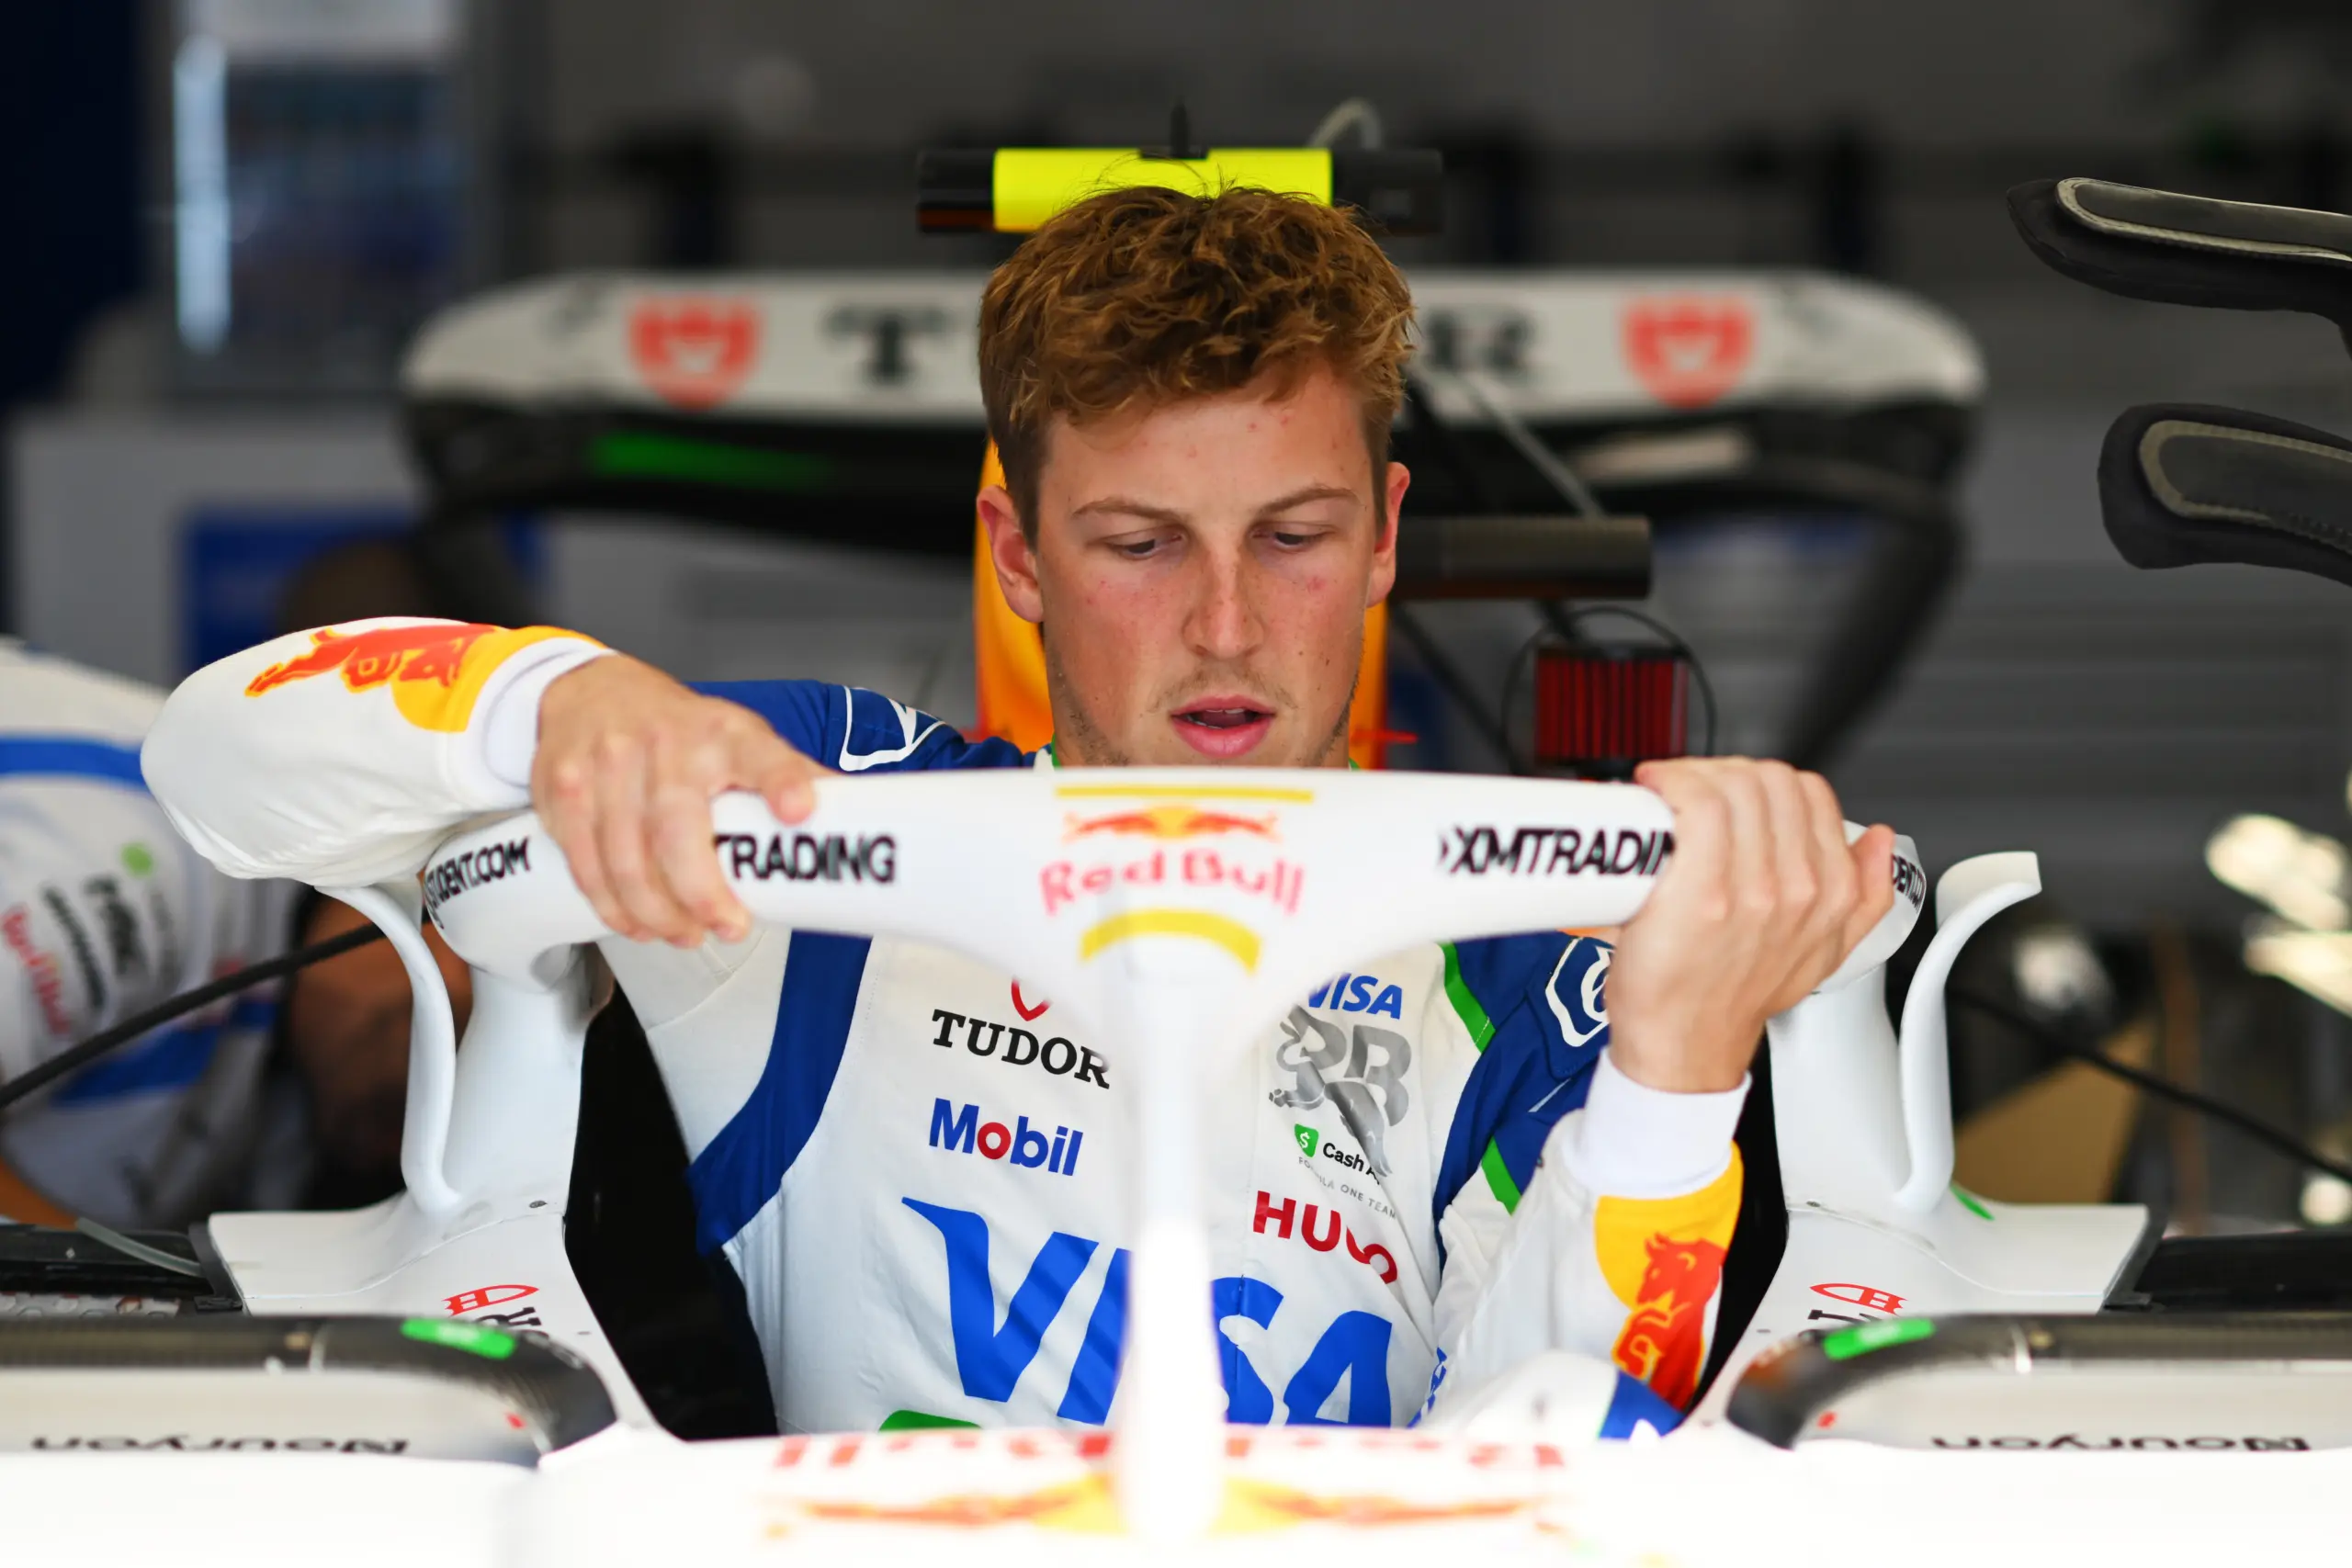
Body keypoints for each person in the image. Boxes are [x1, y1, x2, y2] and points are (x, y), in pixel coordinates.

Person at [143, 186, 1894, 1432]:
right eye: (1141, 543)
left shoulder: (1525, 961)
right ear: (1019, 554)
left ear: (1382, 538)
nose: (1226, 623)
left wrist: (1676, 1076)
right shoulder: (822, 836)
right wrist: (563, 703)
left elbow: (1564, 1461)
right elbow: (214, 764)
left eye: (1292, 536)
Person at [0, 641, 469, 1229]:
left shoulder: (297, 1091)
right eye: (468, 1032)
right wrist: (116, 1280)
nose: (401, 1142)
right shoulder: (163, 861)